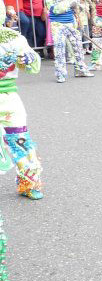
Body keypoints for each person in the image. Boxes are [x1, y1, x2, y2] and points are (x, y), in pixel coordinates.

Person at [0, 26, 43, 200]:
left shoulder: (13, 38)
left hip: (8, 96)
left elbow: (34, 67)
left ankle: (29, 183)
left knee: (20, 139)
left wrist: (29, 58)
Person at [45, 0, 94, 82]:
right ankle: (60, 74)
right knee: (59, 49)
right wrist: (69, 4)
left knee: (77, 46)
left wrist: (73, 5)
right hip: (57, 24)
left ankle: (81, 69)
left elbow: (76, 3)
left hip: (71, 22)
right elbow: (54, 9)